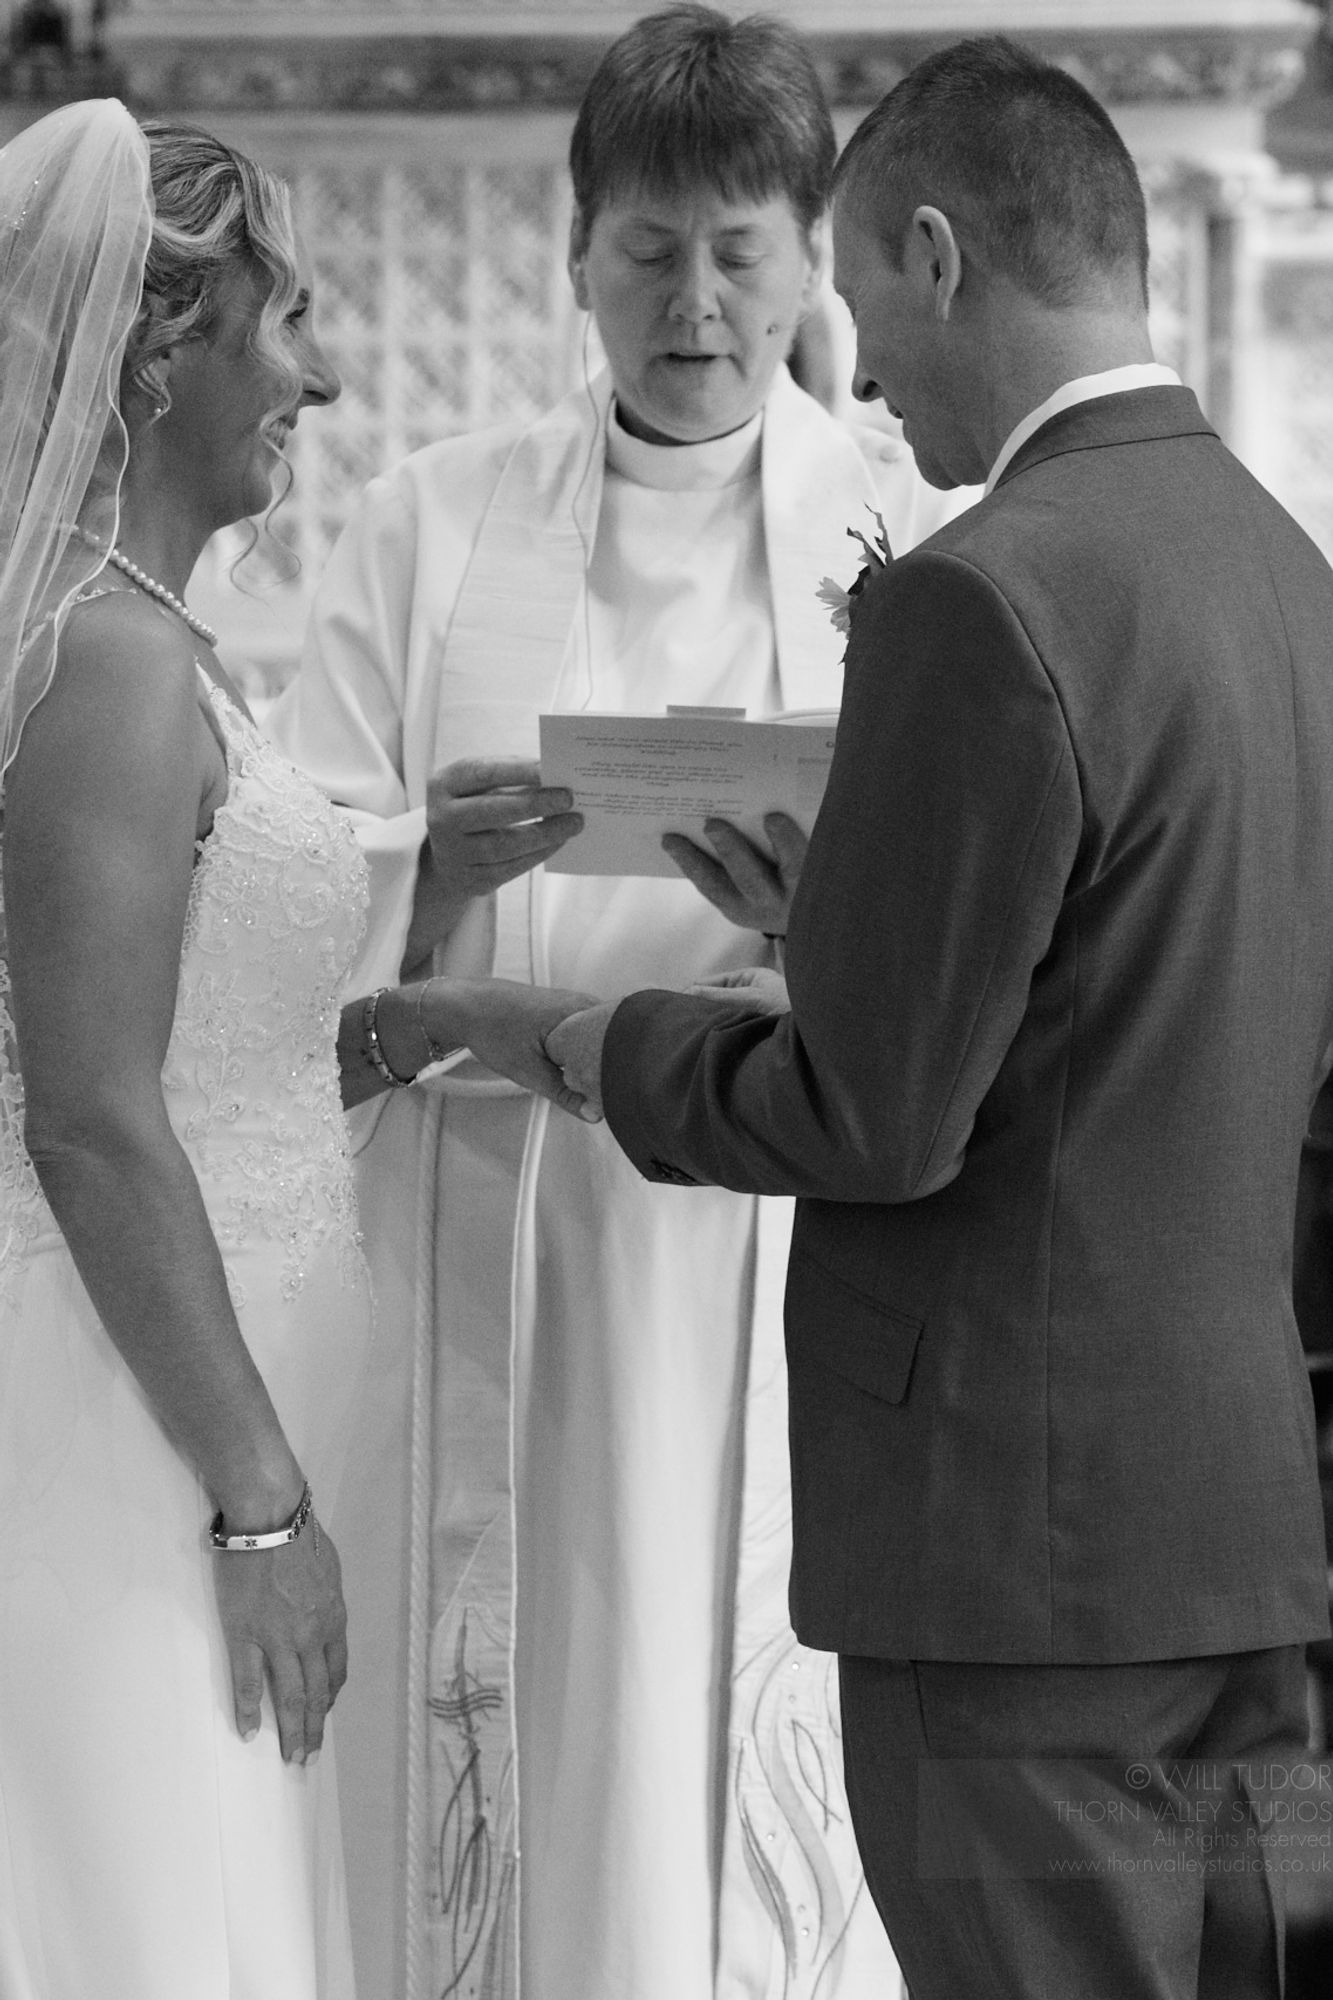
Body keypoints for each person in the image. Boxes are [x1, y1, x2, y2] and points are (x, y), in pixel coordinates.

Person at [548, 34, 1333, 2000]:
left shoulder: (983, 590)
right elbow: (1163, 997)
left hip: (1010, 1549)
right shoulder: (1287, 573)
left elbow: (877, 1117)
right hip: (1234, 1526)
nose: (863, 371)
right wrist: (855, 926)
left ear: (929, 247)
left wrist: (596, 1045)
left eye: (863, 302)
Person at [270, 8, 967, 1994]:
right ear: (573, 255)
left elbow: (981, 940)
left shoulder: (904, 548)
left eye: (742, 247)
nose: (694, 299)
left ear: (813, 258)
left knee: (718, 1701)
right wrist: (434, 865)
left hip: (757, 1257)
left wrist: (831, 921)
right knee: (521, 1719)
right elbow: (281, 892)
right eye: (647, 247)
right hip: (486, 1249)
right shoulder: (427, 524)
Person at [0, 100, 589, 2000]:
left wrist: (410, 994)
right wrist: (262, 1505)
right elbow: (91, 1120)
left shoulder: (152, 640)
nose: (322, 377)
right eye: (287, 325)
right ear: (159, 351)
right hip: (138, 1433)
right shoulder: (106, 660)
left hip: (194, 1401)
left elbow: (199, 1063)